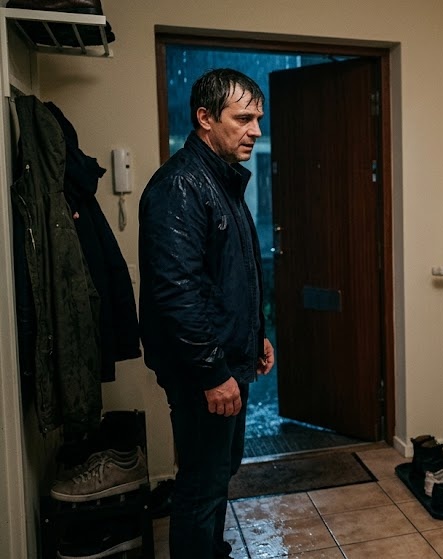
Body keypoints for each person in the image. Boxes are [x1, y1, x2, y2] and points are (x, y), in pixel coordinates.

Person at [139, 68, 273, 559]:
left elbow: (229, 275)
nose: (254, 131)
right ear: (205, 118)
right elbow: (177, 292)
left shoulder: (221, 180)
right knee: (201, 485)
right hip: (203, 371)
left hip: (225, 360)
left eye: (258, 119)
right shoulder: (181, 185)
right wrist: (213, 373)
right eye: (243, 119)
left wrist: (255, 335)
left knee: (218, 476)